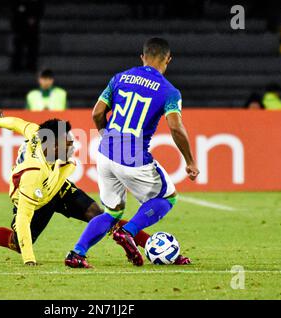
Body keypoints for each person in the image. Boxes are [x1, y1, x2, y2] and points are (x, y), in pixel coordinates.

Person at [65, 38, 199, 268]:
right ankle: (128, 232)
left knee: (111, 212)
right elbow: (176, 127)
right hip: (133, 156)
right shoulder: (169, 91)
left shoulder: (119, 78)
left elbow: (97, 113)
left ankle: (77, 253)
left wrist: (105, 135)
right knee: (167, 198)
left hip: (105, 154)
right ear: (168, 59)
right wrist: (190, 161)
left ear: (142, 56)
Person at [0, 109, 151, 266]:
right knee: (18, 243)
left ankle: (149, 245)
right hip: (34, 198)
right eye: (68, 143)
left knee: (98, 213)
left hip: (56, 186)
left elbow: (17, 124)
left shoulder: (37, 133)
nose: (73, 147)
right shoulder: (33, 171)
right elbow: (24, 218)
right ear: (54, 145)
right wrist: (29, 260)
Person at [10, 0, 43, 72]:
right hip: (20, 26)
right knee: (19, 47)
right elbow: (16, 9)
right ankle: (17, 66)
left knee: (32, 47)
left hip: (32, 27)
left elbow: (40, 9)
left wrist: (34, 18)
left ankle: (30, 66)